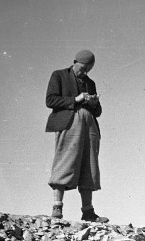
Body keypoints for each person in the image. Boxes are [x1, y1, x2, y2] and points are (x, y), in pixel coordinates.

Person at [45, 49, 109, 223]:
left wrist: (94, 103)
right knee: (65, 161)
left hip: (89, 125)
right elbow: (50, 100)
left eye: (88, 69)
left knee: (89, 165)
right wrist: (76, 99)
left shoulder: (90, 82)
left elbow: (98, 111)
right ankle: (57, 208)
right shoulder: (59, 75)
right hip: (69, 123)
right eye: (82, 68)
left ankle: (88, 212)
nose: (84, 72)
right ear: (75, 62)